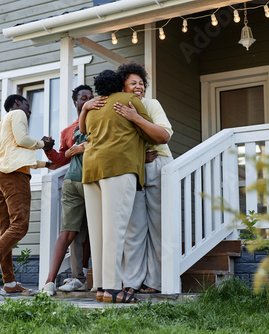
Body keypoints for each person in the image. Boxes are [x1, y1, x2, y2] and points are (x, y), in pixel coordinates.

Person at [79, 70, 156, 303]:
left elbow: (83, 132)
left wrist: (84, 109)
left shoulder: (93, 107)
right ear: (121, 85)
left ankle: (102, 287)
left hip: (91, 170)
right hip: (118, 168)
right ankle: (113, 290)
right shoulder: (129, 100)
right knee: (115, 230)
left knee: (99, 232)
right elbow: (153, 135)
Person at [0, 94, 56, 296]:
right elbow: (23, 140)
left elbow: (16, 154)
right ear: (17, 103)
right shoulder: (17, 113)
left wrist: (46, 164)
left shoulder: (0, 126)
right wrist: (44, 145)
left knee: (7, 230)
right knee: (20, 225)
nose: (29, 111)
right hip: (14, 177)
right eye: (28, 106)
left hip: (2, 175)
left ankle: (9, 283)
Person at [39, 85, 105, 295]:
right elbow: (61, 159)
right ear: (75, 102)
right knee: (72, 231)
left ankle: (85, 275)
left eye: (90, 97)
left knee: (91, 232)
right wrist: (48, 150)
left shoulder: (100, 121)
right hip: (73, 181)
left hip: (96, 180)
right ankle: (57, 281)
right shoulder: (68, 131)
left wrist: (85, 147)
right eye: (83, 98)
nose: (87, 100)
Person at [114, 61, 173, 294]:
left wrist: (136, 116)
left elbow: (163, 136)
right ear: (123, 86)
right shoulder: (116, 108)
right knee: (134, 228)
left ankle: (156, 282)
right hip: (133, 169)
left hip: (158, 165)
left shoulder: (151, 104)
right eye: (133, 83)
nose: (138, 87)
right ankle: (131, 282)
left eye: (141, 83)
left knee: (158, 227)